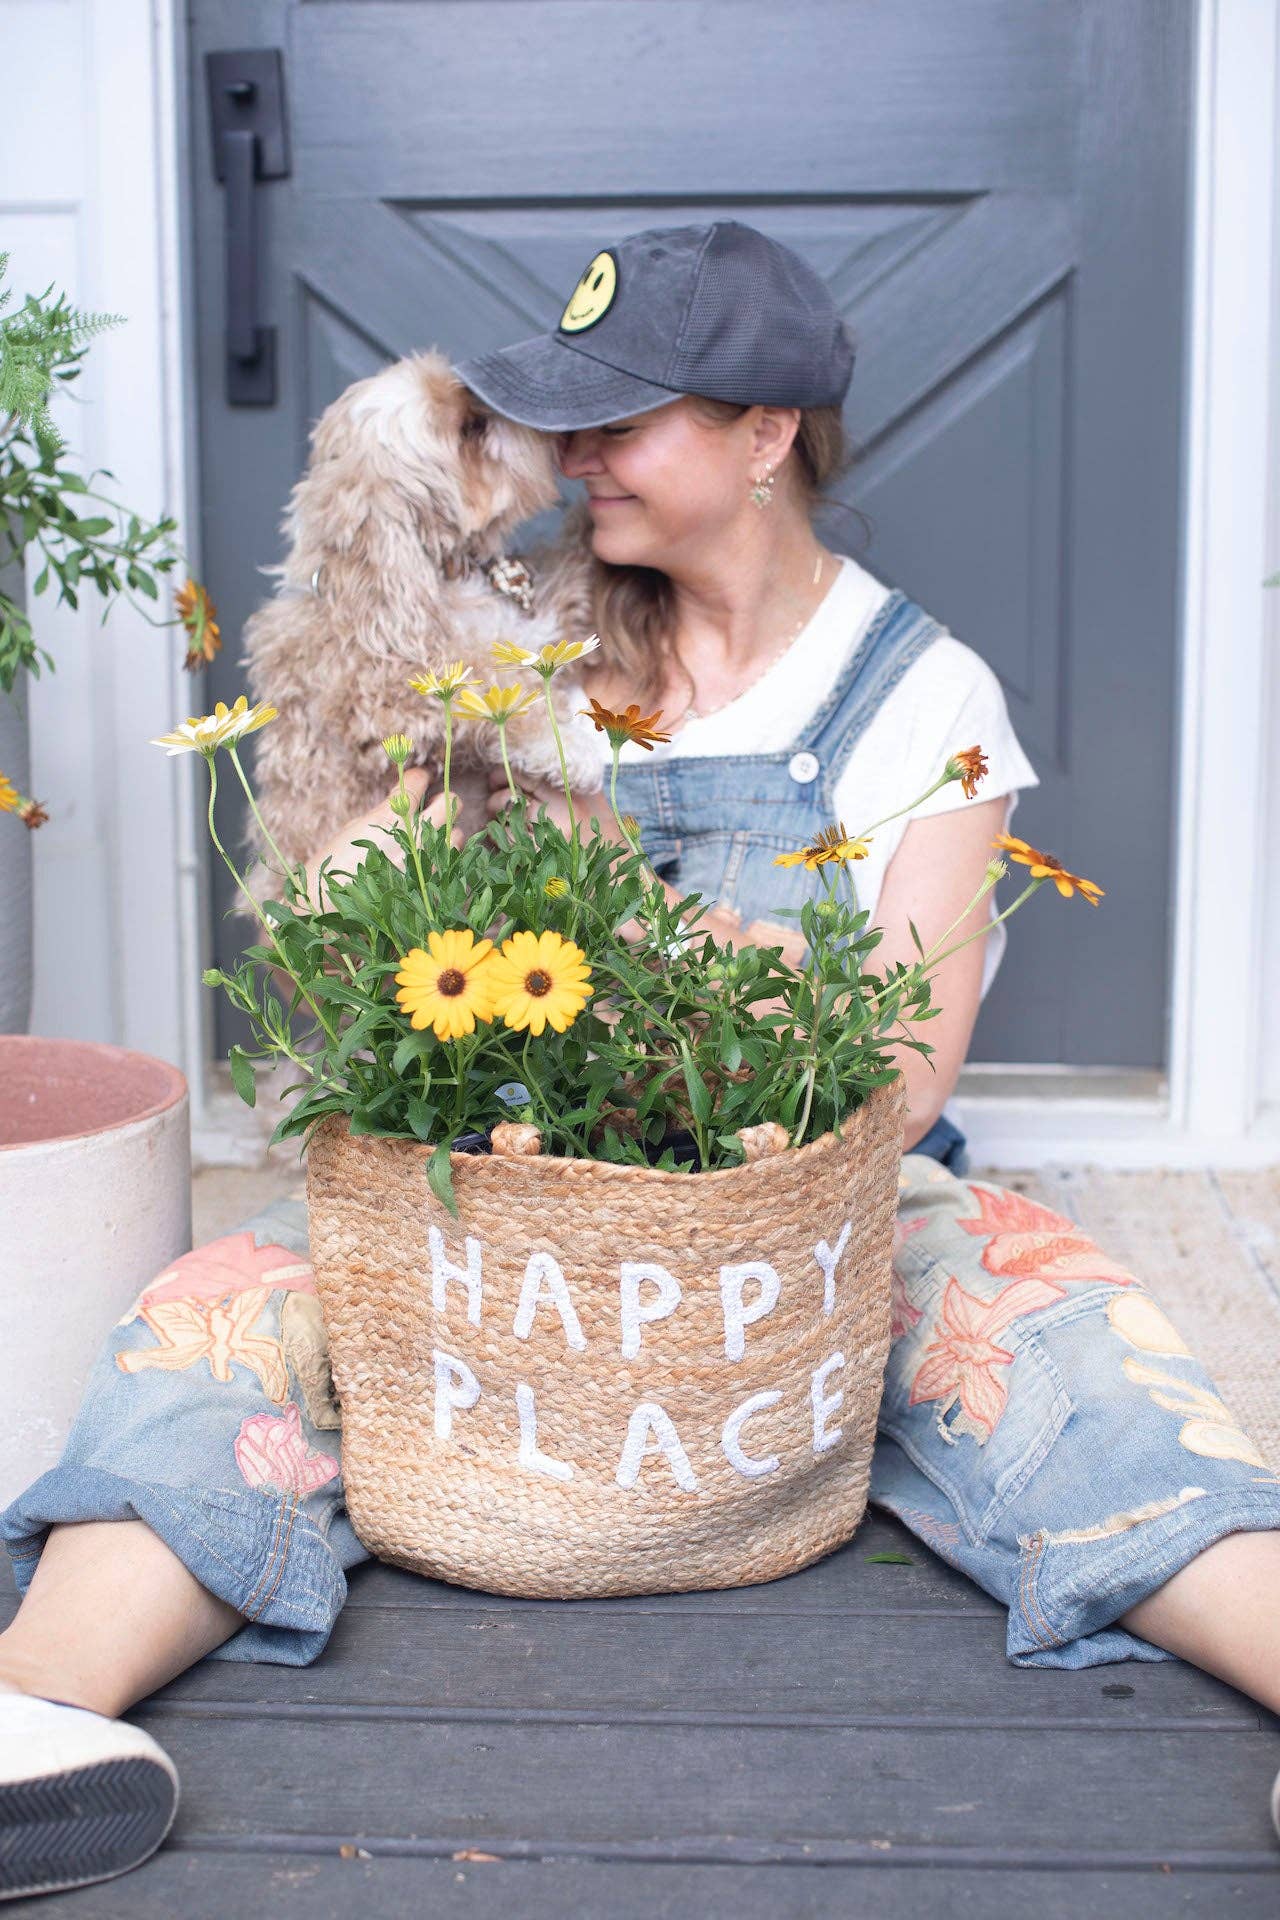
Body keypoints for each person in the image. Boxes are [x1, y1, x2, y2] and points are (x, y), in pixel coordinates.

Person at [0, 221, 1276, 1904]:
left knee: (1065, 1340)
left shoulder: (922, 697)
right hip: (491, 1208)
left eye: (627, 420)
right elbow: (340, 941)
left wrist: (656, 992)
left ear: (766, 439)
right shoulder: (526, 653)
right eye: (567, 420)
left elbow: (895, 1071)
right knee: (222, 1313)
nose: (578, 459)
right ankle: (34, 1718)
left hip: (792, 1225)